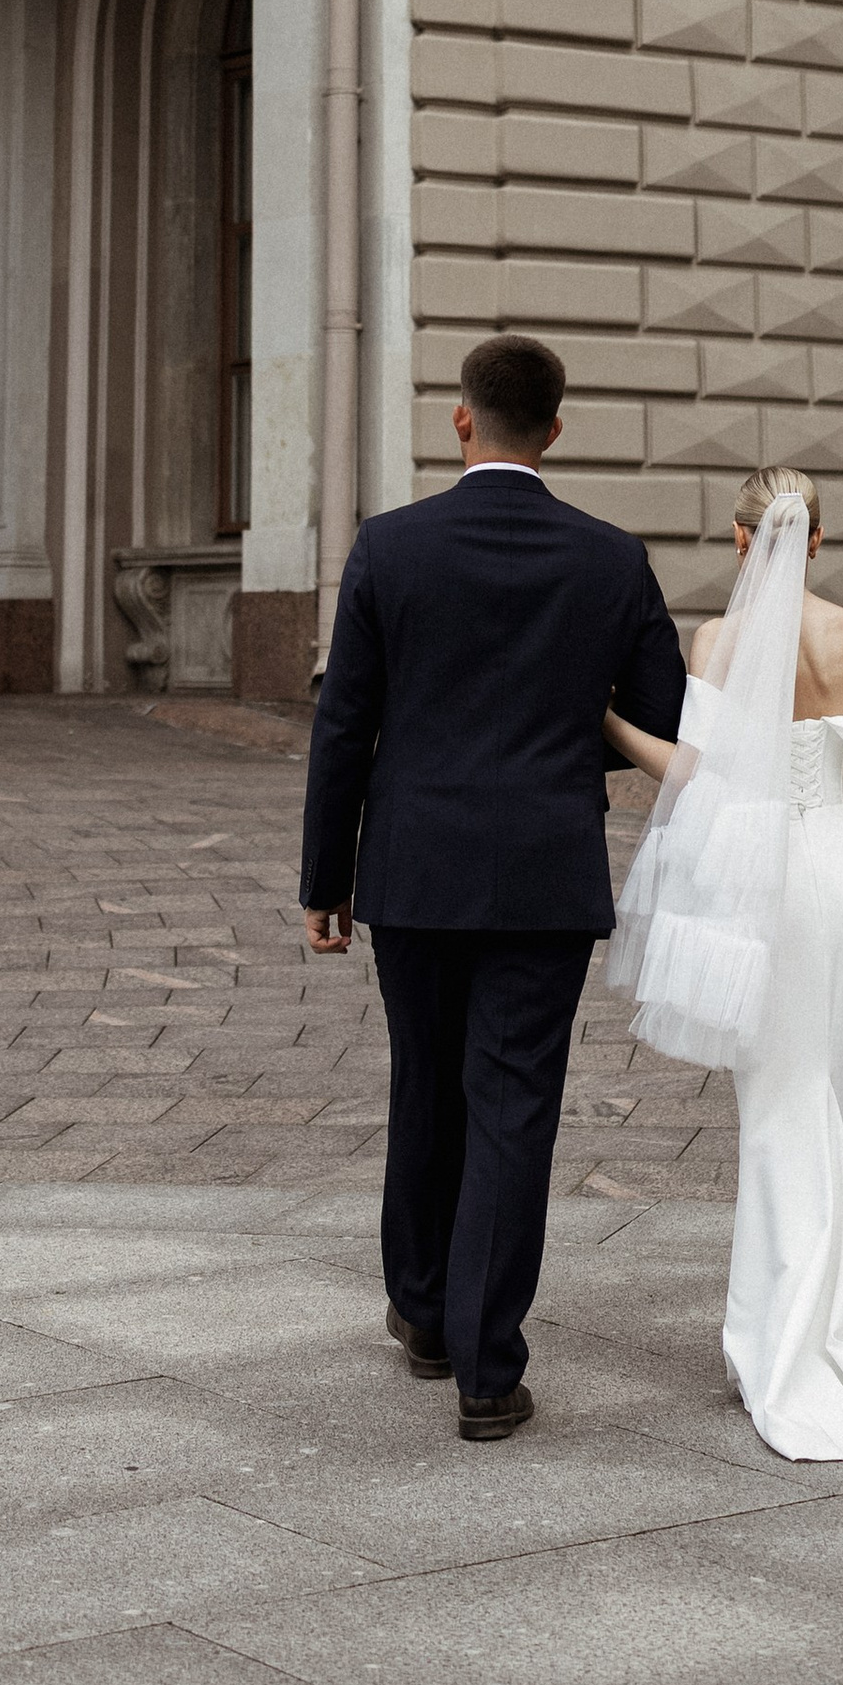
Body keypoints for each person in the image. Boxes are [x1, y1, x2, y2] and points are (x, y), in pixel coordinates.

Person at [299, 333, 686, 1442]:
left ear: (460, 421)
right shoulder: (611, 557)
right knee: (511, 1106)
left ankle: (422, 1313)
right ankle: (485, 1366)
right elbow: (659, 720)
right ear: (554, 432)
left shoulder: (390, 547)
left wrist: (325, 877)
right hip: (542, 871)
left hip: (412, 870)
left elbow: (344, 726)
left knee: (424, 1085)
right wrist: (564, 739)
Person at [602, 465, 843, 1464]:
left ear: (739, 541)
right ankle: (810, 1328)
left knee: (776, 1102)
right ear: (816, 541)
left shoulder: (715, 643)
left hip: (760, 881)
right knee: (831, 1088)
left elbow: (696, 774)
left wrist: (601, 720)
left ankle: (776, 1337)